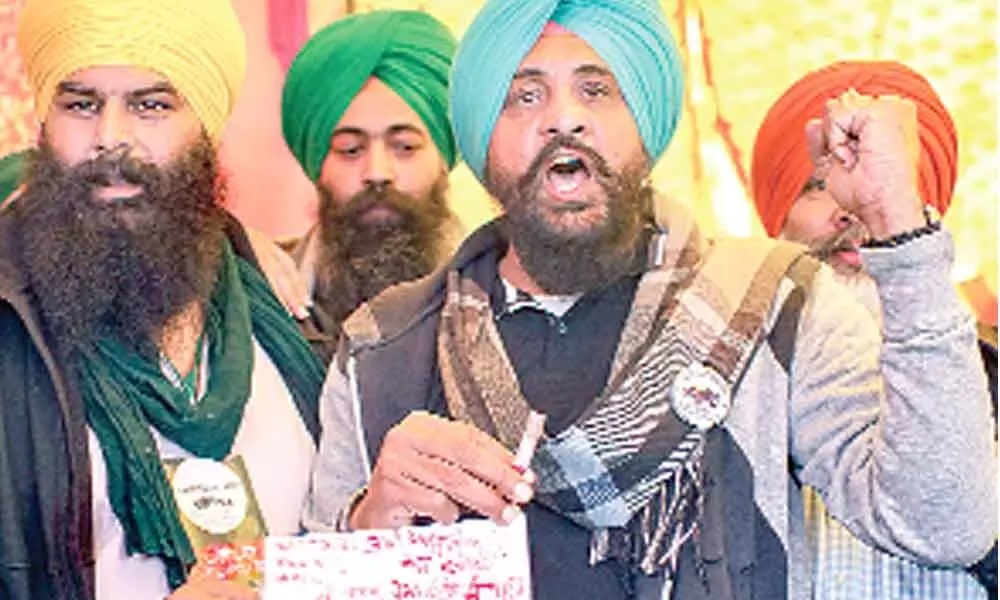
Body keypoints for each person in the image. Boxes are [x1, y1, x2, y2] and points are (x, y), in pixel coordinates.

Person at [305, 1, 996, 598]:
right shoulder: (381, 347)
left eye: (598, 89)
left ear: (648, 120)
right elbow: (309, 580)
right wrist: (366, 525)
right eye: (525, 94)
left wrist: (901, 231)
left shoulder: (777, 302)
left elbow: (944, 524)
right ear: (481, 134)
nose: (563, 121)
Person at [0, 1, 325, 598]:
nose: (111, 138)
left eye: (152, 105)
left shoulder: (290, 319)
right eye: (81, 104)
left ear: (207, 126)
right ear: (42, 123)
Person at [751, 59, 997, 599]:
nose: (852, 208)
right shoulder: (733, 383)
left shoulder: (991, 376)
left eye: (888, 185)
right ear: (776, 217)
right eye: (818, 186)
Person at [276, 9, 462, 363]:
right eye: (350, 150)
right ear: (317, 165)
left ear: (443, 158)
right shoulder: (262, 299)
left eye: (405, 147)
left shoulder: (499, 295)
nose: (377, 172)